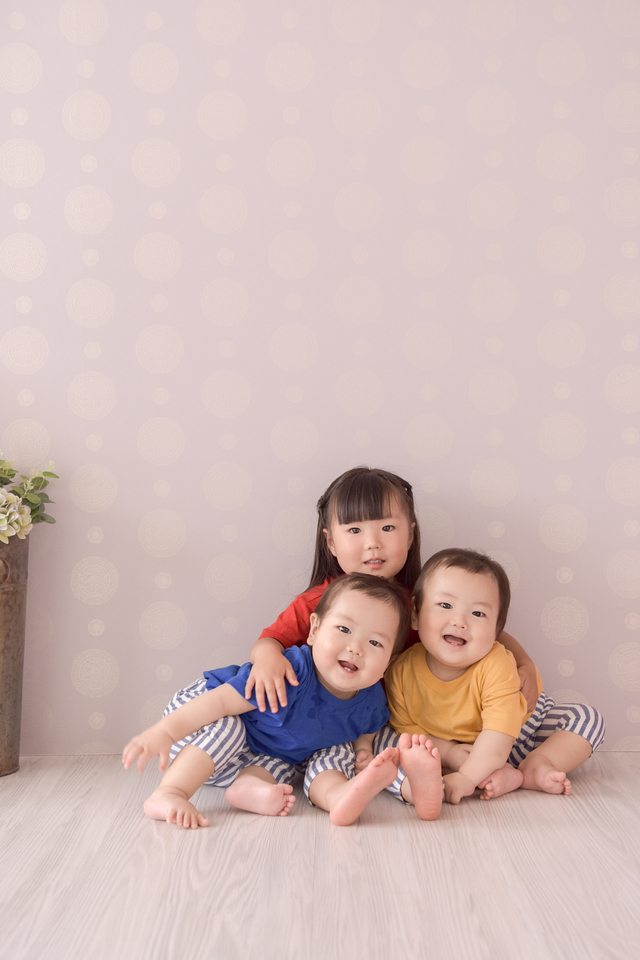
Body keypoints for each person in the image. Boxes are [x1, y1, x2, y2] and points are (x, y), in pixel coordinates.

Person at [244, 467, 539, 801]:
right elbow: (270, 640)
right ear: (331, 542)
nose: (373, 543)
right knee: (355, 756)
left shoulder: (420, 601)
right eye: (354, 530)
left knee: (398, 746)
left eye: (387, 528)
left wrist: (524, 663)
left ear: (410, 535)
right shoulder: (319, 602)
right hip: (331, 719)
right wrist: (267, 658)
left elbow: (484, 630)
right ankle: (350, 791)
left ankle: (422, 787)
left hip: (392, 719)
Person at [123, 574, 444, 827]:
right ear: (314, 630)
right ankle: (169, 792)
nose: (356, 648)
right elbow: (219, 704)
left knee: (312, 758)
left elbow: (368, 728)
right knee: (231, 728)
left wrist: (363, 751)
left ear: (389, 660)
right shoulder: (291, 672)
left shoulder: (372, 697)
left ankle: (270, 791)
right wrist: (164, 732)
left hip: (252, 756)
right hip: (198, 725)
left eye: (375, 643)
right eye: (344, 629)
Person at [383, 548, 605, 808]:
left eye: (478, 613)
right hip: (457, 748)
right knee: (393, 743)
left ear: (497, 629)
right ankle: (499, 774)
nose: (460, 621)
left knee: (586, 718)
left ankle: (537, 764)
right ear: (415, 614)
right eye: (445, 605)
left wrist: (466, 777)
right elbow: (409, 729)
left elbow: (499, 735)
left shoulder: (496, 664)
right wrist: (449, 752)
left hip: (519, 734)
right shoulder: (400, 672)